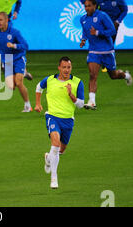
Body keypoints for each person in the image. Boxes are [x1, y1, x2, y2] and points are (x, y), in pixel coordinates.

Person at [34, 56, 85, 189]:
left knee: (60, 150)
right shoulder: (50, 80)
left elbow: (80, 105)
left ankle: (49, 158)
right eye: (64, 67)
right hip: (52, 116)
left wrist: (71, 95)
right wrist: (38, 104)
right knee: (55, 144)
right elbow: (38, 87)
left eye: (69, 67)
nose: (66, 70)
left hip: (68, 120)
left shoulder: (78, 82)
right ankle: (54, 178)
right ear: (59, 68)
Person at [79, 0, 133, 110]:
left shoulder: (102, 16)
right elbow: (85, 30)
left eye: (89, 6)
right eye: (85, 6)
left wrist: (98, 32)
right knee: (92, 75)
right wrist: (83, 39)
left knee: (113, 75)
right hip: (94, 51)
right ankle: (92, 101)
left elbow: (112, 30)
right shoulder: (83, 19)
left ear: (95, 6)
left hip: (107, 51)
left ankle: (125, 75)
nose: (87, 8)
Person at [0, 12, 32, 112]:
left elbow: (26, 46)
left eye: (1, 20)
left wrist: (14, 46)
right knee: (11, 86)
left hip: (18, 58)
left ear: (6, 20)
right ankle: (24, 73)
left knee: (18, 82)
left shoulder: (14, 32)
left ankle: (27, 105)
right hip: (7, 60)